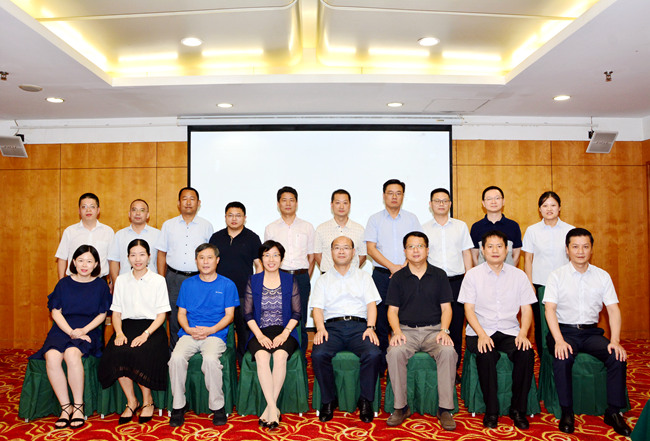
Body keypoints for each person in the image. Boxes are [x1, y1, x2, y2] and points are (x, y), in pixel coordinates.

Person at [543, 228, 631, 436]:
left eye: (585, 246)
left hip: (592, 334)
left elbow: (613, 309)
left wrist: (615, 340)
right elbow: (550, 309)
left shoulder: (602, 276)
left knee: (617, 357)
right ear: (567, 250)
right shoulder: (556, 276)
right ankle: (567, 411)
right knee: (562, 356)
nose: (580, 251)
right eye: (575, 247)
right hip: (564, 331)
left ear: (591, 249)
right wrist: (559, 340)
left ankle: (613, 411)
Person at [458, 230, 536, 430]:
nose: (495, 250)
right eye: (490, 246)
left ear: (507, 249)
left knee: (526, 353)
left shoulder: (519, 276)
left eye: (499, 246)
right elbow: (469, 310)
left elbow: (527, 309)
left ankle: (518, 410)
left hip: (510, 330)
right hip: (480, 330)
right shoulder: (473, 275)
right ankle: (491, 411)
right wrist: (482, 334)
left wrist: (523, 333)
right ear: (482, 250)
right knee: (486, 353)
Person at [31, 245, 111, 429]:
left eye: (89, 261)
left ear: (96, 264)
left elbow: (102, 314)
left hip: (88, 329)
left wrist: (83, 331)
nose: (84, 265)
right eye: (80, 260)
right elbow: (55, 312)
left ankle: (78, 406)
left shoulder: (100, 285)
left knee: (72, 353)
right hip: (63, 328)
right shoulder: (63, 284)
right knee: (52, 356)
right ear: (74, 262)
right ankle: (65, 407)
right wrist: (71, 332)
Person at [385, 232, 457, 430]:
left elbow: (446, 308)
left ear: (427, 249)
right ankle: (401, 407)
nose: (415, 250)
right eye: (411, 246)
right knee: (394, 352)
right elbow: (392, 311)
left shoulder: (439, 275)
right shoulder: (398, 278)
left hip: (434, 331)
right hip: (406, 332)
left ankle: (445, 409)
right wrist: (397, 332)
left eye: (420, 246)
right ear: (405, 251)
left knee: (448, 351)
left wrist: (444, 330)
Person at [98, 239, 170, 425]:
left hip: (152, 328)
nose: (138, 259)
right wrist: (119, 333)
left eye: (142, 255)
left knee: (140, 352)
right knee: (116, 352)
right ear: (128, 257)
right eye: (133, 255)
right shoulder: (122, 280)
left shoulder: (158, 280)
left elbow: (161, 315)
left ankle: (147, 400)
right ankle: (132, 401)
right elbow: (116, 313)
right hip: (126, 326)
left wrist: (146, 334)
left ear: (149, 257)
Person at [310, 236, 382, 423]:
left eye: (346, 248)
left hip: (359, 327)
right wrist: (320, 328)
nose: (341, 251)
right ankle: (328, 400)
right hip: (332, 328)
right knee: (318, 354)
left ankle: (365, 400)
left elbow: (371, 305)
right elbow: (317, 308)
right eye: (337, 248)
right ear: (331, 252)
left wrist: (370, 327)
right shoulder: (323, 279)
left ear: (353, 252)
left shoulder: (364, 277)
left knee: (373, 353)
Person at [168, 243, 239, 427]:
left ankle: (218, 407)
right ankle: (178, 406)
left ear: (217, 260)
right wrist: (189, 329)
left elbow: (230, 316)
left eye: (209, 258)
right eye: (201, 258)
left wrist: (211, 330)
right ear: (196, 261)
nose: (205, 262)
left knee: (209, 360)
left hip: (215, 335)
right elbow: (181, 314)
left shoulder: (227, 284)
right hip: (190, 334)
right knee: (175, 358)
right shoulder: (187, 284)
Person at [243, 240, 300, 430]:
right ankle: (273, 409)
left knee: (280, 355)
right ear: (261, 259)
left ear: (281, 259)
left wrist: (285, 334)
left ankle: (269, 409)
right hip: (259, 331)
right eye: (266, 255)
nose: (271, 259)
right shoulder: (254, 280)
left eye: (276, 255)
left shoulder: (290, 280)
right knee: (261, 356)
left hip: (285, 330)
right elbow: (248, 314)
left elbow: (297, 313)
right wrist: (259, 336)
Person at [365, 179, 422, 369]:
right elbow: (371, 249)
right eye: (390, 193)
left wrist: (403, 266)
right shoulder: (375, 219)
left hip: (408, 274)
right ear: (384, 196)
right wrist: (392, 267)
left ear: (403, 196)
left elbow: (418, 245)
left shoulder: (412, 219)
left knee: (406, 317)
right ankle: (382, 364)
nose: (394, 197)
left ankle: (404, 360)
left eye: (398, 193)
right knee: (381, 320)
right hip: (382, 275)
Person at [421, 187, 473, 380]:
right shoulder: (423, 228)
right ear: (430, 204)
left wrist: (469, 279)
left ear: (450, 203)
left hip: (457, 282)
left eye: (445, 200)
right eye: (437, 201)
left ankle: (453, 369)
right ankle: (434, 366)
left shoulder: (460, 226)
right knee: (434, 324)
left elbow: (466, 253)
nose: (441, 204)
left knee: (456, 326)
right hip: (432, 283)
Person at [157, 187, 214, 349]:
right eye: (184, 198)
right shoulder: (168, 225)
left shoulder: (206, 226)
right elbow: (161, 254)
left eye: (192, 199)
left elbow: (211, 254)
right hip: (174, 278)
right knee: (175, 318)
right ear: (178, 203)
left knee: (199, 315)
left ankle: (198, 352)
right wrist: (162, 279)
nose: (188, 202)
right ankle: (175, 354)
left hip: (199, 278)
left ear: (199, 203)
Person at [209, 201, 262, 366]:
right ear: (225, 217)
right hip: (219, 293)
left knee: (244, 331)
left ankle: (244, 365)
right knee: (220, 330)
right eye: (230, 215)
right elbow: (209, 263)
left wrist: (255, 289)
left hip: (243, 293)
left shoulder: (252, 238)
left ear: (244, 218)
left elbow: (259, 265)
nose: (234, 219)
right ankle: (225, 365)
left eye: (238, 215)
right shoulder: (216, 237)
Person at [264, 186, 315, 355]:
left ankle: (300, 357)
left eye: (291, 200)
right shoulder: (271, 228)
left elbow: (311, 257)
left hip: (301, 277)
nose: (288, 203)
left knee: (301, 318)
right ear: (278, 204)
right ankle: (283, 354)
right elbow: (268, 258)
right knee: (281, 317)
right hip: (280, 277)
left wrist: (305, 277)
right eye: (284, 200)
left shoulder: (307, 227)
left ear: (297, 203)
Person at [522, 191, 574, 353]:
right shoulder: (532, 230)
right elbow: (528, 259)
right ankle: (544, 357)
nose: (549, 209)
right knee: (541, 323)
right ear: (539, 209)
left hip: (565, 283)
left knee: (565, 320)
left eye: (553, 205)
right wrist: (529, 283)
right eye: (545, 205)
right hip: (540, 284)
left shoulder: (570, 230)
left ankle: (564, 353)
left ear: (560, 208)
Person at [55, 192, 114, 281]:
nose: (88, 210)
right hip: (74, 281)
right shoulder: (70, 231)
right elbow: (62, 258)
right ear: (79, 211)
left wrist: (112, 282)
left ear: (98, 210)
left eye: (92, 207)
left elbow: (112, 260)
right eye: (84, 207)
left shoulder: (108, 232)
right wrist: (61, 282)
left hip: (99, 281)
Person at [108, 199, 161, 286]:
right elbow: (114, 261)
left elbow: (161, 261)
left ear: (148, 215)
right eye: (134, 210)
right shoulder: (120, 235)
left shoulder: (157, 234)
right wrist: (115, 284)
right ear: (129, 214)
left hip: (151, 284)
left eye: (142, 210)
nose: (138, 213)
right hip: (125, 284)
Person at [314, 189, 366, 273]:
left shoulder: (359, 229)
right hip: (328, 276)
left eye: (345, 203)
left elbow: (362, 255)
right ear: (332, 205)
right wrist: (329, 272)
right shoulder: (321, 229)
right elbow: (317, 254)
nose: (341, 207)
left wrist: (350, 271)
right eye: (337, 203)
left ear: (349, 205)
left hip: (352, 276)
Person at [470, 186, 522, 267]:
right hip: (483, 274)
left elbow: (516, 255)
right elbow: (474, 256)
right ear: (483, 203)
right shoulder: (476, 227)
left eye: (497, 198)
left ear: (503, 201)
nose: (493, 202)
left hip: (507, 273)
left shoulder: (513, 226)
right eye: (489, 199)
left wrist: (508, 271)